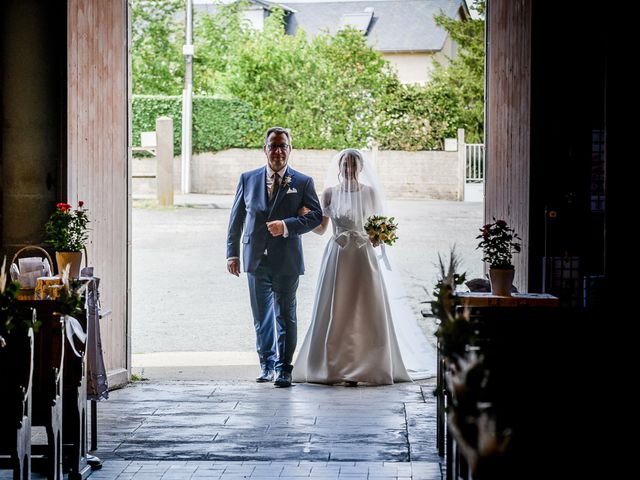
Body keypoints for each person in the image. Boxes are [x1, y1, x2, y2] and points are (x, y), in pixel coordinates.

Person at [293, 148, 435, 385]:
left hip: (362, 254)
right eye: (345, 165)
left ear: (360, 168)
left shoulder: (370, 193)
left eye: (353, 165)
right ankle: (336, 366)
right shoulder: (329, 193)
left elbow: (378, 229)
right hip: (338, 256)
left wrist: (380, 236)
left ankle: (368, 364)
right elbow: (321, 229)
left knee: (365, 307)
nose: (348, 169)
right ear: (339, 168)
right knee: (336, 307)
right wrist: (302, 216)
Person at [227, 127, 323, 388]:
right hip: (255, 258)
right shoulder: (247, 179)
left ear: (290, 149)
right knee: (261, 316)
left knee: (286, 315)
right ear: (265, 149)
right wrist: (232, 253)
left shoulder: (303, 182)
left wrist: (288, 225)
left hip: (287, 259)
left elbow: (316, 216)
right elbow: (236, 219)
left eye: (283, 146)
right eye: (273, 146)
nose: (278, 151)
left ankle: (284, 369)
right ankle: (266, 364)